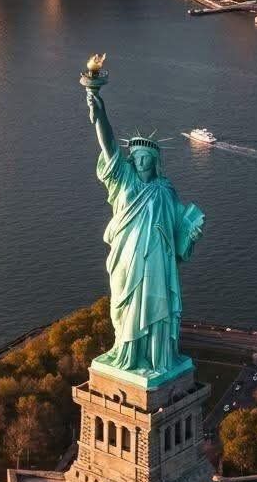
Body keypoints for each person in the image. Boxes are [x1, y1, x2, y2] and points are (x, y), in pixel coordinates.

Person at [86, 86, 204, 378]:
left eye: (145, 158)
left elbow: (179, 223)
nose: (139, 161)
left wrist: (191, 230)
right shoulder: (123, 180)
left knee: (156, 303)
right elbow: (109, 146)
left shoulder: (165, 191)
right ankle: (126, 352)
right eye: (135, 156)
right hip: (126, 257)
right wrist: (100, 114)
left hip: (156, 260)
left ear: (155, 162)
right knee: (124, 306)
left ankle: (155, 358)